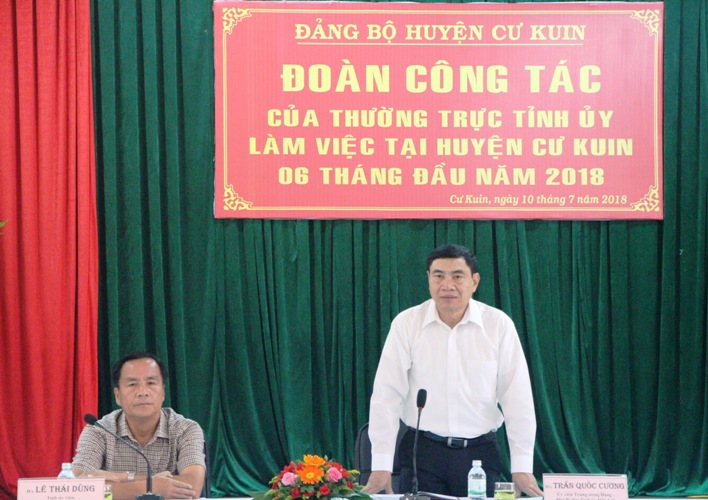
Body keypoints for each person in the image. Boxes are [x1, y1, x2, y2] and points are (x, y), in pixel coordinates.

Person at [364, 244, 543, 498]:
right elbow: (386, 395)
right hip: (422, 453)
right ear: (428, 279)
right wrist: (381, 464)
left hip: (480, 455)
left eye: (457, 276)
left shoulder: (498, 325)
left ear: (474, 281)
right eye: (438, 276)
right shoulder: (407, 324)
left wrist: (522, 466)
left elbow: (517, 398)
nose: (447, 285)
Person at [71, 352, 206, 499]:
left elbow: (192, 487)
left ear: (163, 393)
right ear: (117, 396)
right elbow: (79, 488)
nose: (143, 392)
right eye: (132, 384)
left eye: (151, 383)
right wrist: (152, 486)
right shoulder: (99, 431)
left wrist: (117, 480)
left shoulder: (185, 429)